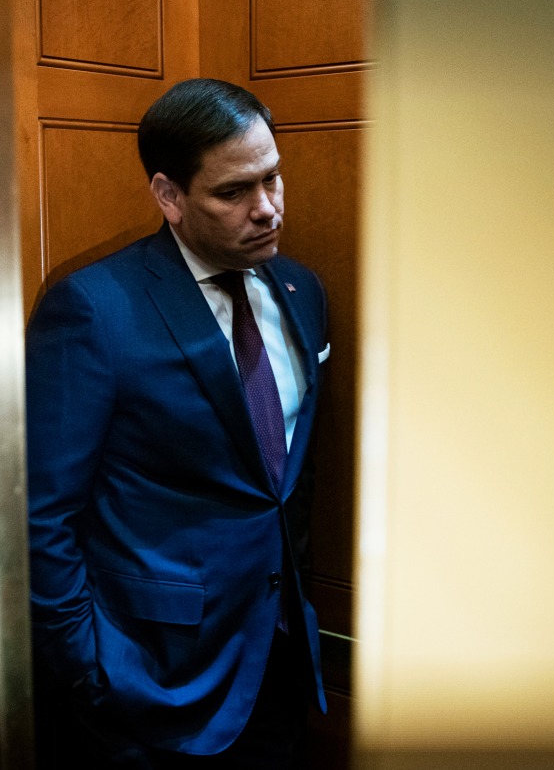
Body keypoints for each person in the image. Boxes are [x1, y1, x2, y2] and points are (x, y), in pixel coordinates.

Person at [26, 78, 330, 768]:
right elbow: (42, 516)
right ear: (169, 196)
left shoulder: (301, 290)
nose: (268, 209)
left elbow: (285, 481)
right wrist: (87, 671)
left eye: (273, 179)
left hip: (279, 663)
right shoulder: (96, 310)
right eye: (234, 192)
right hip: (150, 685)